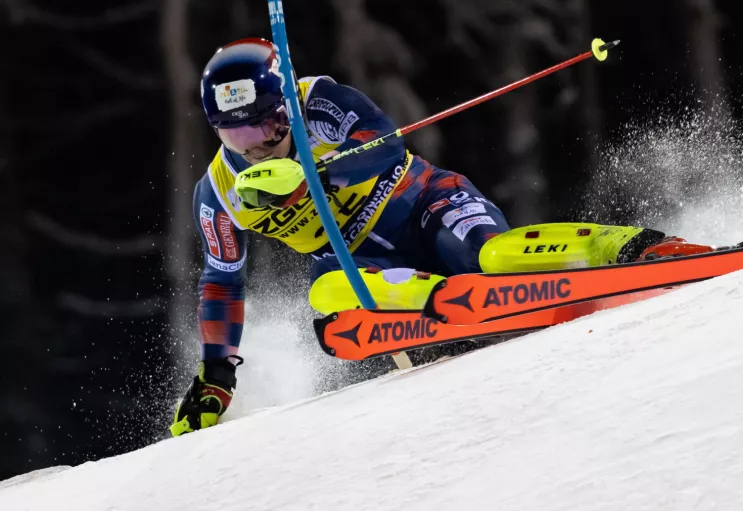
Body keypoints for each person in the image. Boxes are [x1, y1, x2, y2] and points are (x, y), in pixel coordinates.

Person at [170, 38, 714, 436]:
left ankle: (635, 247)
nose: (255, 144)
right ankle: (441, 302)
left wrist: (320, 174)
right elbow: (221, 281)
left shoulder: (319, 101)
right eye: (234, 131)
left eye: (264, 125)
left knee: (489, 254)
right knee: (325, 292)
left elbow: (383, 142)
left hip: (427, 204)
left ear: (284, 105)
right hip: (373, 264)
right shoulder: (219, 193)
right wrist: (217, 372)